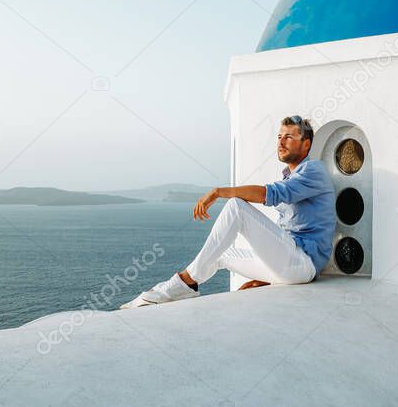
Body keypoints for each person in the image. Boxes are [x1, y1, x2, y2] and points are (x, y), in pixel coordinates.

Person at [122, 116, 335, 307]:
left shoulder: (314, 170)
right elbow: (282, 234)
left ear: (306, 144)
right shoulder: (290, 176)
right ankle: (184, 289)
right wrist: (265, 277)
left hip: (303, 263)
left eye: (288, 137)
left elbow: (272, 194)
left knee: (236, 206)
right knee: (220, 253)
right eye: (279, 136)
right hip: (289, 266)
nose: (280, 142)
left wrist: (217, 192)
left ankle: (181, 282)